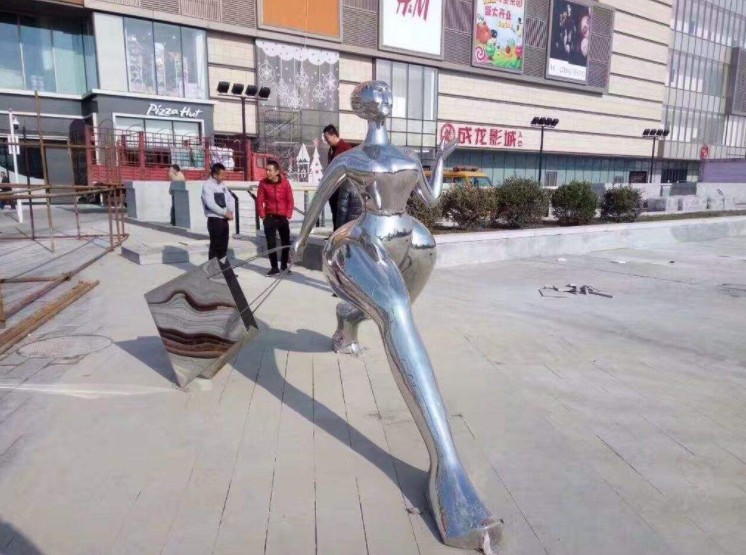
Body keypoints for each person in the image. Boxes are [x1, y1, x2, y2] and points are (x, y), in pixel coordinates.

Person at [291, 81, 500, 550]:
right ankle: (446, 466)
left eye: (383, 98)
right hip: (361, 244)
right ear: (366, 109)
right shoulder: (350, 159)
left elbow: (430, 200)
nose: (381, 104)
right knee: (397, 318)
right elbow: (319, 201)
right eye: (375, 99)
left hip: (413, 242)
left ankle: (348, 319)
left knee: (394, 317)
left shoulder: (404, 156)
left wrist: (440, 161)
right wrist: (299, 246)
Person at [257, 159, 294, 276]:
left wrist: (288, 215)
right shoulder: (263, 183)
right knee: (271, 243)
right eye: (266, 170)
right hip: (270, 217)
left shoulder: (285, 183)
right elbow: (259, 201)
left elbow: (290, 200)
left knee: (286, 242)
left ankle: (284, 266)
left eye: (270, 170)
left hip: (282, 217)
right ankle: (274, 268)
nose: (267, 172)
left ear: (277, 172)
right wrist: (263, 216)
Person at [201, 163, 234, 261]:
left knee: (223, 247)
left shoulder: (222, 185)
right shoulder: (207, 186)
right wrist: (224, 213)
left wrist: (230, 211)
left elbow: (230, 199)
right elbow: (210, 204)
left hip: (224, 220)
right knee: (215, 247)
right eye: (222, 175)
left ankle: (223, 269)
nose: (224, 177)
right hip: (215, 220)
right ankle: (213, 269)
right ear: (215, 175)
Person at [322, 124, 352, 229]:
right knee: (335, 213)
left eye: (327, 138)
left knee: (342, 214)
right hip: (334, 188)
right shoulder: (331, 149)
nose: (326, 141)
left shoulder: (345, 148)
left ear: (334, 135)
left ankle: (341, 233)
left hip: (342, 187)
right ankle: (335, 232)